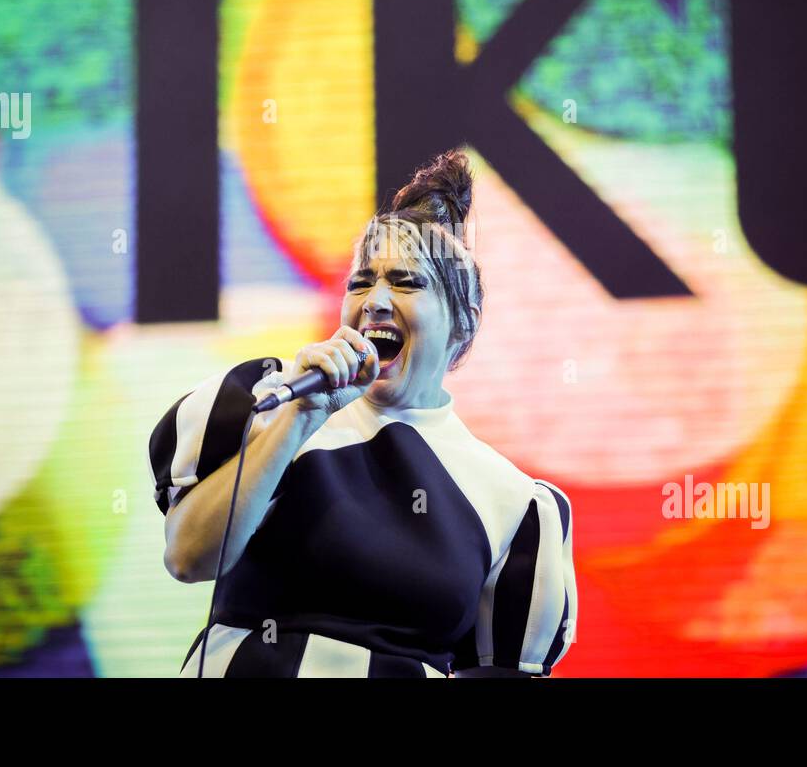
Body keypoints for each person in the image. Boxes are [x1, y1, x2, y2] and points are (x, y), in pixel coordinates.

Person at [149, 150, 577, 677]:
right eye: (359, 282)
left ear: (463, 322)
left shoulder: (511, 500)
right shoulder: (273, 403)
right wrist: (299, 419)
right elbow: (189, 558)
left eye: (405, 282)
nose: (373, 301)